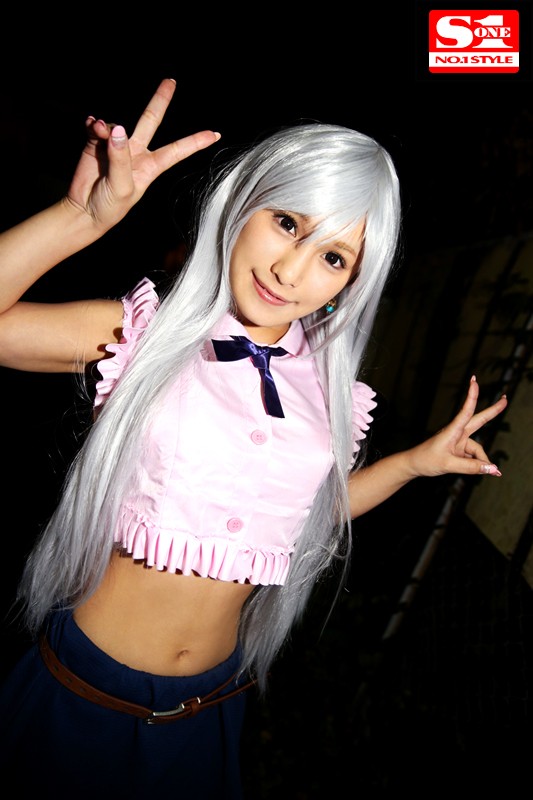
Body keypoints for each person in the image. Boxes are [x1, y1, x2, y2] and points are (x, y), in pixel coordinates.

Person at [0, 78, 507, 798]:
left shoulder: (326, 394)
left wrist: (410, 465)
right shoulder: (144, 335)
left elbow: (303, 517)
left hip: (209, 710)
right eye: (288, 223)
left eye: (334, 258)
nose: (289, 271)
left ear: (351, 284)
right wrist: (79, 218)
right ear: (244, 203)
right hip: (84, 696)